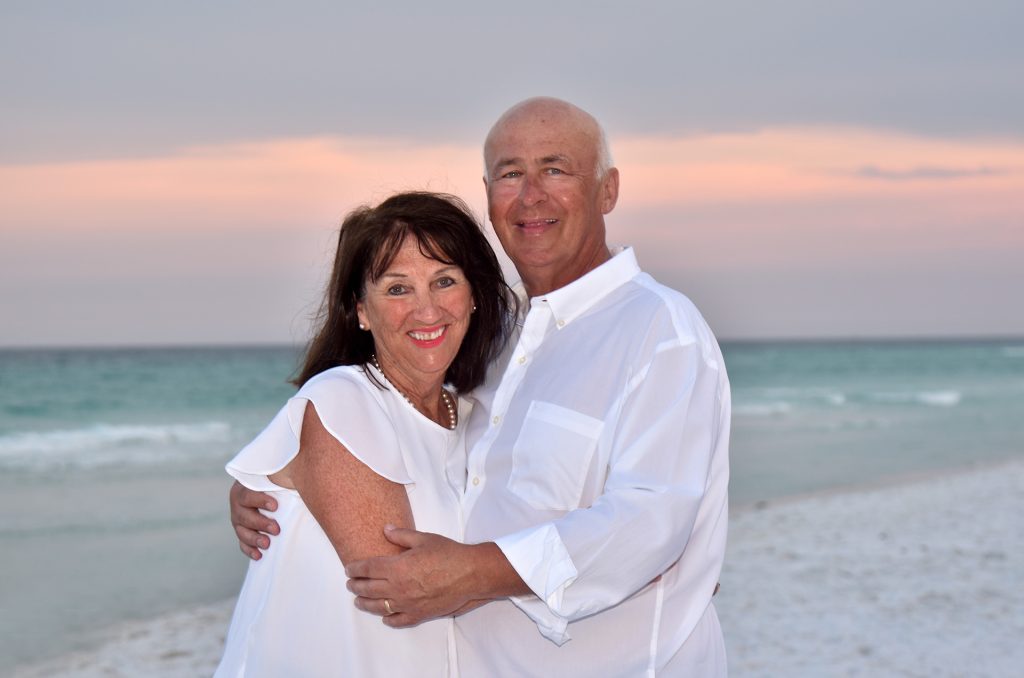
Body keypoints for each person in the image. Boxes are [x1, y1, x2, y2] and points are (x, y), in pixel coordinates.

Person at [232, 97, 731, 676]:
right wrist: (284, 486)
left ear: (608, 190)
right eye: (510, 174)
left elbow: (652, 520)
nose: (531, 195)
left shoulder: (660, 331)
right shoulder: (495, 345)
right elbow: (417, 450)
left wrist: (478, 571)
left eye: (555, 169)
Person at [215, 191, 515, 677]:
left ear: (474, 295)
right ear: (360, 310)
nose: (427, 310)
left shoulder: (474, 418)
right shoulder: (342, 399)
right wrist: (551, 570)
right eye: (398, 289)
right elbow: (401, 588)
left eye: (444, 281)